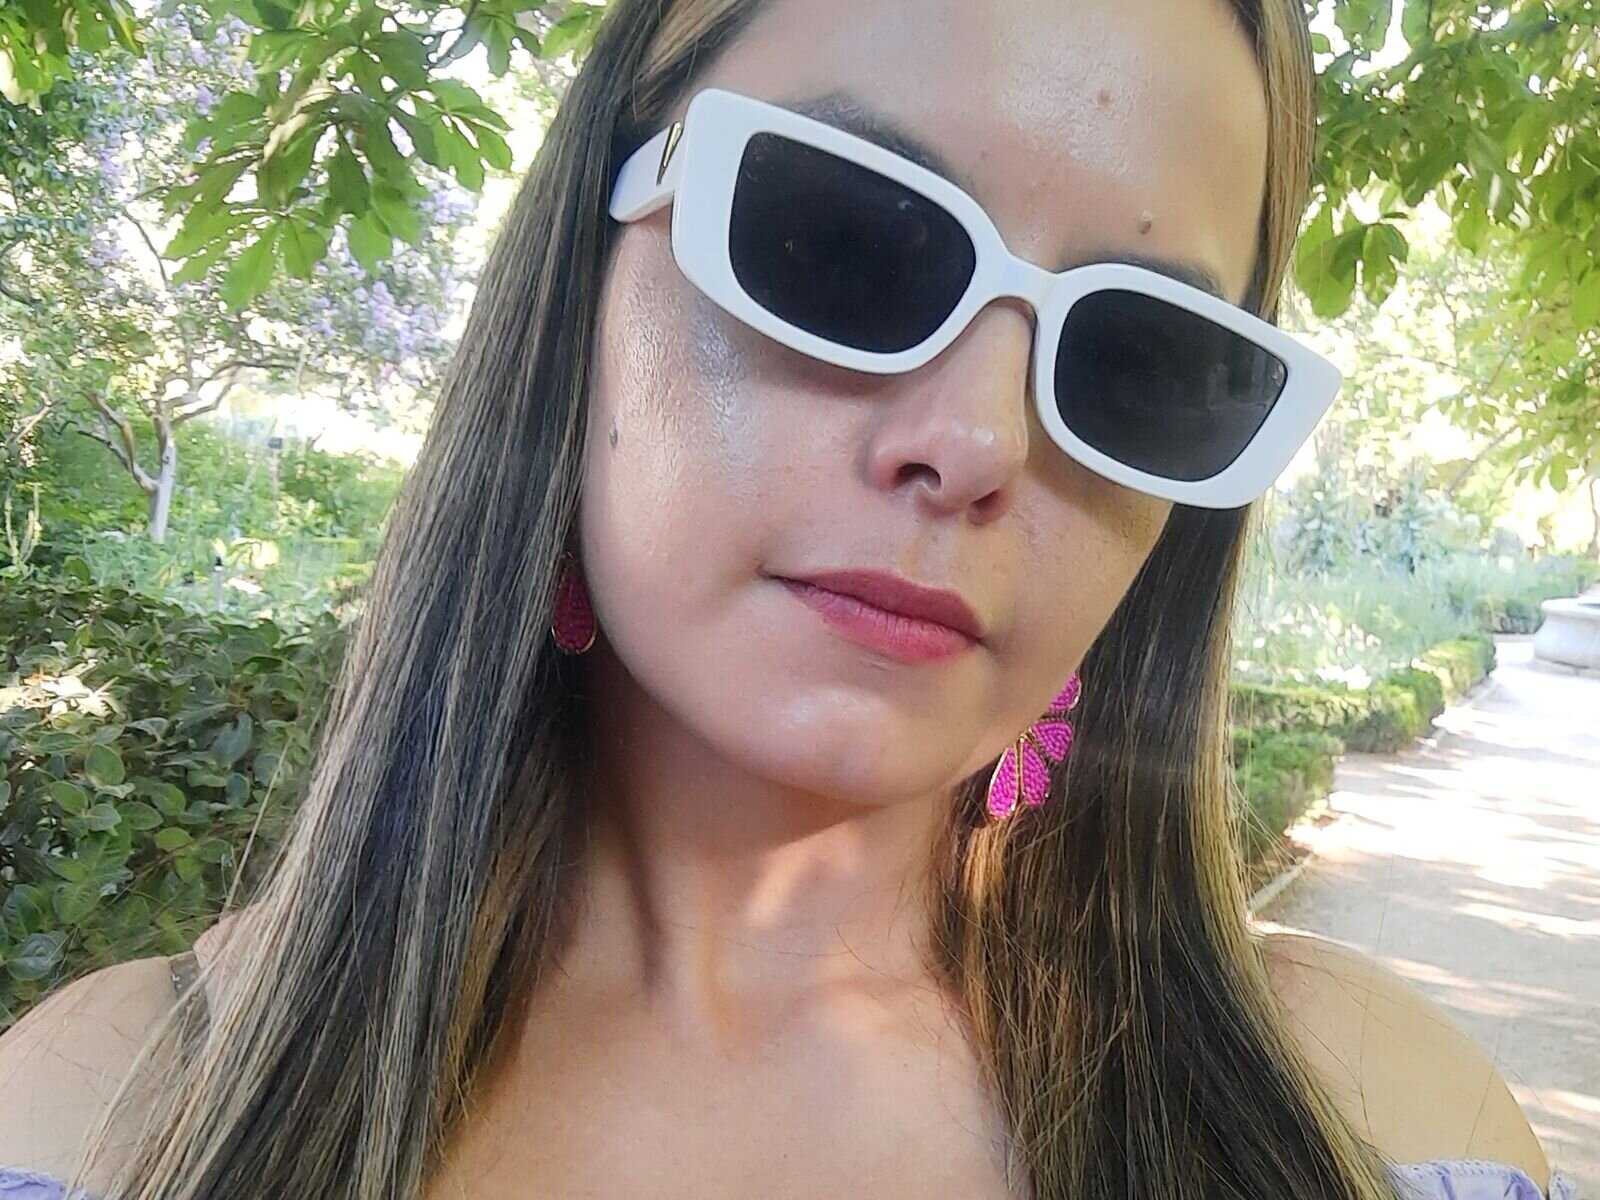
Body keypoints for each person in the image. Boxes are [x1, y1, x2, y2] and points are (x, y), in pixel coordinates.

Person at [0, 0, 1581, 1196]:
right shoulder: (107, 1118)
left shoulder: (1381, 1121)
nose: (977, 443)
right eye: (844, 240)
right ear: (583, 276)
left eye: (1142, 359)